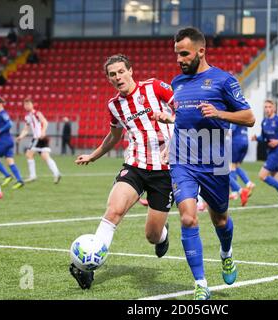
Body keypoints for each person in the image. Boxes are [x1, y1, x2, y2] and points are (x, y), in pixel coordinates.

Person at [154, 27, 255, 300]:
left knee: (220, 219)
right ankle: (200, 283)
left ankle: (226, 253)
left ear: (201, 51)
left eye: (184, 54)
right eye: (176, 54)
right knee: (188, 217)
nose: (179, 59)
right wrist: (169, 119)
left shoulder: (224, 80)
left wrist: (219, 112)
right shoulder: (177, 83)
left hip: (215, 161)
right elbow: (183, 116)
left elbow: (249, 117)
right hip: (182, 161)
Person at [69, 54, 175, 290]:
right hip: (135, 166)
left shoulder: (156, 87)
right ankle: (87, 268)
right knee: (113, 212)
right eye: (112, 74)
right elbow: (115, 136)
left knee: (152, 235)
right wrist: (93, 156)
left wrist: (176, 141)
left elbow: (184, 113)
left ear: (130, 71)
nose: (117, 77)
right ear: (108, 79)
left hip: (165, 172)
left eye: (120, 72)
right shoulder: (114, 105)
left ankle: (163, 235)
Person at [252, 100, 278, 208]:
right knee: (276, 179)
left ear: (274, 108)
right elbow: (264, 137)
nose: (267, 109)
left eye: (269, 107)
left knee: (262, 175)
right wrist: (257, 138)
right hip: (271, 152)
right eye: (265, 107)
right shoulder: (264, 122)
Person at [16, 97, 61, 184]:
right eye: (25, 104)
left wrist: (43, 132)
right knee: (45, 156)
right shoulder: (27, 116)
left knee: (29, 154)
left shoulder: (37, 113)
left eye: (28, 104)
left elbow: (45, 122)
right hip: (38, 138)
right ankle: (57, 173)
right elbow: (26, 129)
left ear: (32, 104)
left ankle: (33, 176)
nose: (27, 106)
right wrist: (21, 136)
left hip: (39, 137)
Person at [0, 96, 24, 189]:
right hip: (8, 140)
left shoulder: (3, 113)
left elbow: (10, 123)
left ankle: (7, 176)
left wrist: (0, 130)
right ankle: (19, 181)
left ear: (1, 104)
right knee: (10, 161)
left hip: (4, 141)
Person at [228, 123, 256, 206]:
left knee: (231, 167)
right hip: (245, 142)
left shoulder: (234, 115)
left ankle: (235, 192)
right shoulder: (242, 114)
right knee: (236, 166)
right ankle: (248, 183)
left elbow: (231, 130)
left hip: (236, 142)